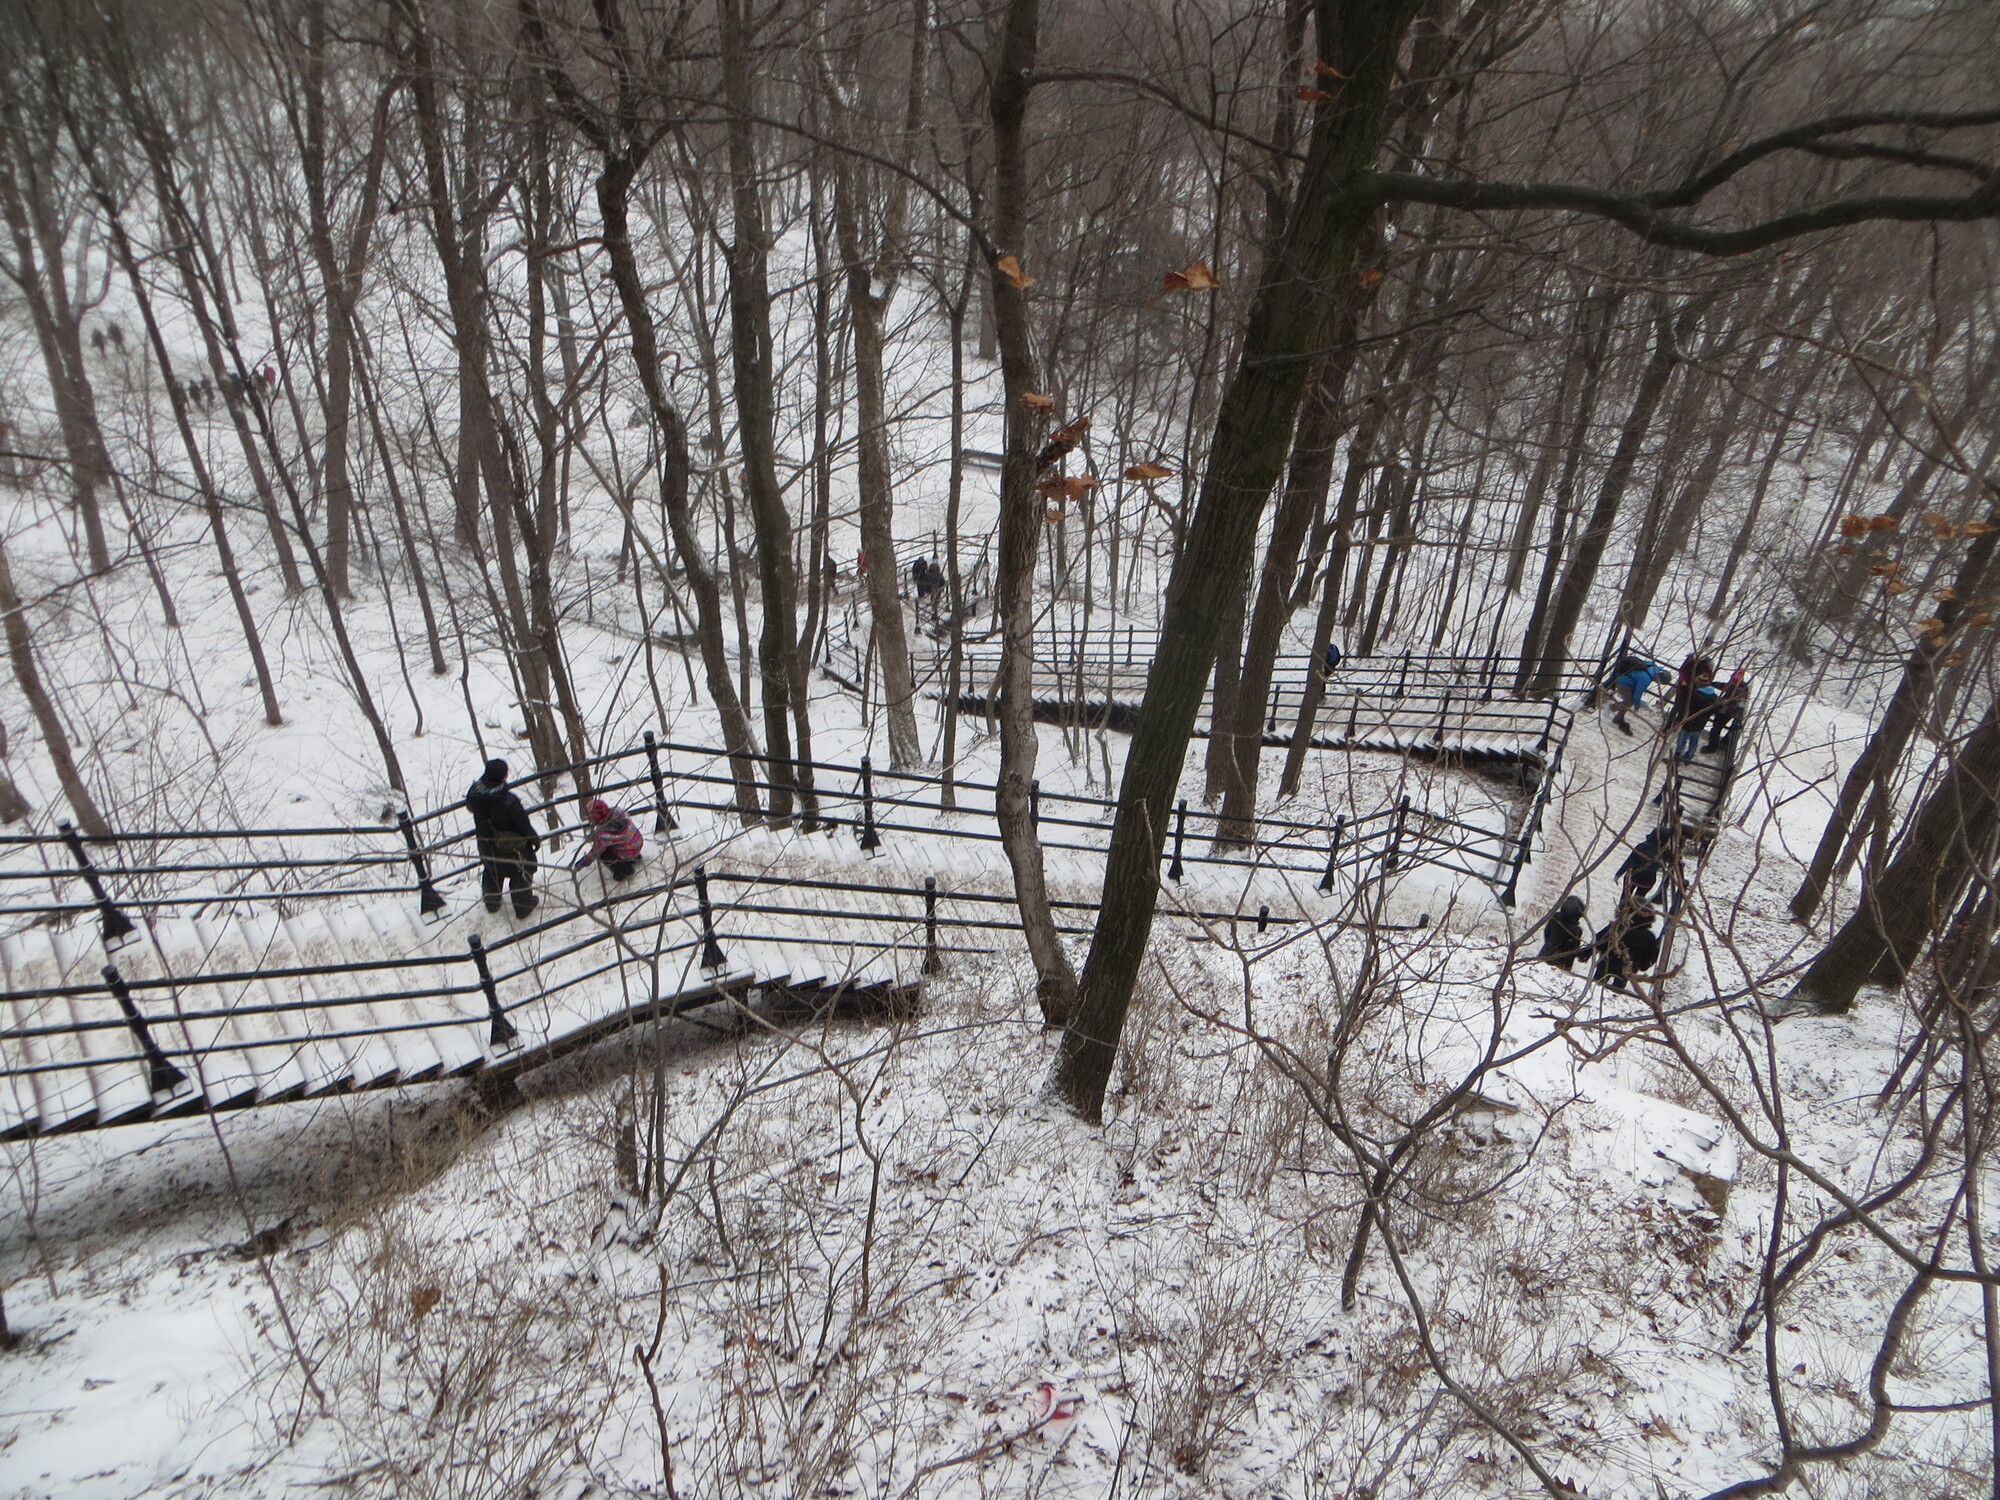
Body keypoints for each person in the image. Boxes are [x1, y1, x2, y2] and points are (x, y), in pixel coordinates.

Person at [466, 758, 539, 917]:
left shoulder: (474, 796)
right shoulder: (509, 801)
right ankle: (522, 907)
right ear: (504, 776)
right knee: (521, 870)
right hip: (510, 847)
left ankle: (492, 902)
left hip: (486, 843)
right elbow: (523, 824)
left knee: (492, 869)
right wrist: (534, 839)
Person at [1593, 904, 1661, 991]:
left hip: (1607, 962)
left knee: (1595, 986)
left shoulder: (1616, 927)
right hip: (1627, 969)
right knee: (1616, 991)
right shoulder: (1649, 937)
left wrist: (1588, 953)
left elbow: (1598, 941)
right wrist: (1640, 965)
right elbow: (1648, 960)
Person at [574, 798, 643, 882]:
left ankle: (623, 871)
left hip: (629, 850)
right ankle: (634, 858)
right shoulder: (617, 810)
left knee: (604, 853)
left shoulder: (603, 832)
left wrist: (582, 863)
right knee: (618, 841)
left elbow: (596, 852)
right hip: (637, 841)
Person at [1610, 660, 1671, 733]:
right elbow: (1638, 693)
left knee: (1630, 701)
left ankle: (1619, 717)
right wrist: (1637, 706)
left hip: (1625, 678)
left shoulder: (1653, 667)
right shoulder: (1645, 679)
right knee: (1629, 702)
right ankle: (1611, 708)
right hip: (1623, 683)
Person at [1617, 826, 1673, 902]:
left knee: (1625, 897)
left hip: (1633, 878)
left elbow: (1629, 862)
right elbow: (1673, 860)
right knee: (1639, 900)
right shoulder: (1665, 852)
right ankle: (1635, 907)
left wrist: (1618, 874)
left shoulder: (1642, 847)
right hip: (1648, 882)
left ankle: (1622, 906)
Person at [1705, 669, 1750, 753]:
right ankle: (1713, 746)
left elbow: (1741, 702)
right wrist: (1711, 683)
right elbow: (1724, 686)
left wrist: (1738, 712)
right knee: (1715, 729)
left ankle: (1713, 747)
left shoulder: (1742, 689)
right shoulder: (1733, 685)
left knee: (1716, 729)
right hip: (1723, 710)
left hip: (1728, 712)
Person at [1538, 894, 1587, 971]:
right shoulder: (1576, 930)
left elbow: (1547, 933)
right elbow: (1574, 949)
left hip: (1545, 954)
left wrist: (1549, 943)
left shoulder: (1555, 918)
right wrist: (1582, 956)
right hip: (1563, 963)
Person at [1675, 684, 1720, 762]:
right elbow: (1715, 710)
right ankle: (1689, 756)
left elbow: (1686, 699)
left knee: (1681, 740)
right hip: (1700, 724)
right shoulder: (1714, 699)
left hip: (1689, 721)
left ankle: (1677, 757)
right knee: (1694, 741)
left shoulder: (1694, 695)